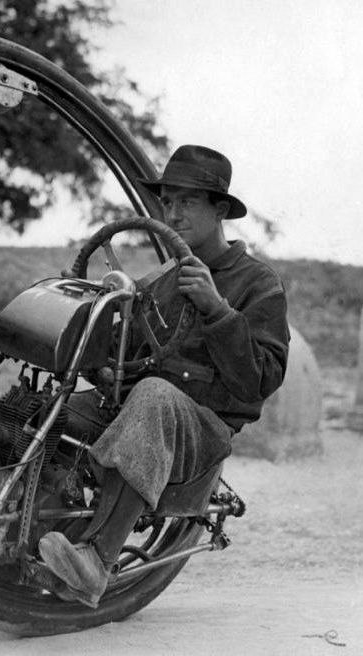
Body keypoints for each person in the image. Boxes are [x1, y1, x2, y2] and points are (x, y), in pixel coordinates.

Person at [37, 145, 290, 606]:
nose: (173, 213)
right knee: (44, 411)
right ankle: (2, 568)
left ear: (220, 211)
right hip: (139, 407)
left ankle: (96, 559)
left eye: (188, 202)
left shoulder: (257, 282)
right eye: (168, 202)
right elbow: (128, 357)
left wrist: (217, 310)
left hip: (203, 429)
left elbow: (260, 382)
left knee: (155, 394)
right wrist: (99, 341)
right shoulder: (162, 280)